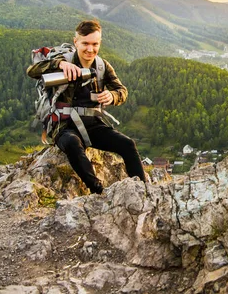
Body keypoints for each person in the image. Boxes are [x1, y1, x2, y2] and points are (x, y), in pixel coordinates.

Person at [27, 20, 146, 194]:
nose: (90, 49)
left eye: (95, 44)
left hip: (92, 123)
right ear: (76, 42)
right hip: (63, 124)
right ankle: (99, 192)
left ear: (100, 43)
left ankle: (143, 190)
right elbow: (32, 71)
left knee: (127, 144)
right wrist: (59, 64)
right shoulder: (62, 61)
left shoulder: (101, 66)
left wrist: (112, 96)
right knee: (72, 143)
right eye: (85, 44)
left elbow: (122, 90)